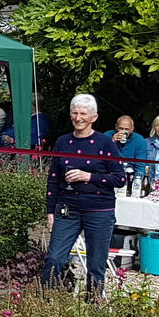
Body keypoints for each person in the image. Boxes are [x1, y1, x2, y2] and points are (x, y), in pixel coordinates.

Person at [39, 94, 125, 300]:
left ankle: (92, 304)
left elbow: (120, 179)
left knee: (96, 264)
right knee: (54, 258)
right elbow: (53, 180)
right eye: (74, 113)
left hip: (99, 210)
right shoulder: (62, 142)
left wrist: (90, 177)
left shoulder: (105, 143)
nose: (78, 118)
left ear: (93, 117)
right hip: (67, 208)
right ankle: (43, 303)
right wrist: (50, 211)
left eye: (83, 114)